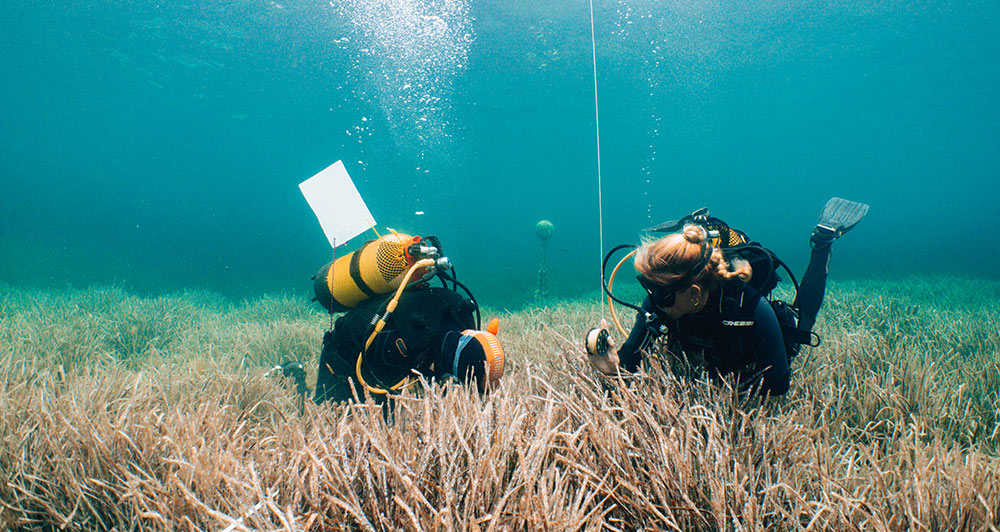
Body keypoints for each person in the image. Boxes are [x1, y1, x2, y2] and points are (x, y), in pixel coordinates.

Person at [586, 198, 868, 397]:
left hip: (748, 339)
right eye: (647, 287)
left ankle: (822, 241)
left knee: (799, 324)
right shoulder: (660, 302)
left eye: (660, 293)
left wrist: (717, 384)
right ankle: (696, 227)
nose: (651, 301)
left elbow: (778, 387)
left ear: (694, 294)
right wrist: (612, 368)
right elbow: (628, 366)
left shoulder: (749, 308)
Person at [314, 283, 505, 404]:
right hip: (345, 350)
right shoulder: (405, 344)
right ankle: (294, 374)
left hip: (386, 325)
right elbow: (384, 397)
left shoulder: (460, 312)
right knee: (327, 406)